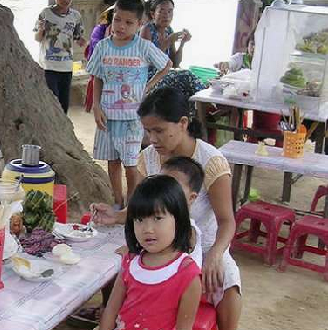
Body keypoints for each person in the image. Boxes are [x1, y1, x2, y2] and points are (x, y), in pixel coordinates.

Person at [92, 87, 242, 330]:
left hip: (204, 245)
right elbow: (140, 209)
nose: (152, 139)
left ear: (183, 123)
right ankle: (115, 314)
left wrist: (215, 254)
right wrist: (116, 216)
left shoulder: (211, 161)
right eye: (148, 131)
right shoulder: (148, 158)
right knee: (115, 264)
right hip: (158, 238)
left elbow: (227, 221)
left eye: (159, 130)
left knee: (226, 280)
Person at [86, 0, 171, 210]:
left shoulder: (143, 46)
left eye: (128, 22)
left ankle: (131, 206)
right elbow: (97, 77)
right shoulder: (103, 47)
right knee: (112, 161)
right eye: (117, 19)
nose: (121, 26)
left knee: (131, 164)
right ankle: (118, 202)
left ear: (140, 23)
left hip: (133, 118)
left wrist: (148, 86)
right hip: (106, 115)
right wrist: (96, 105)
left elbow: (167, 65)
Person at [98, 175, 201, 330]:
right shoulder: (130, 262)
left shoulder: (187, 274)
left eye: (158, 218)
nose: (147, 229)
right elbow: (111, 310)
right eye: (139, 220)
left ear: (178, 220)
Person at [34, 0, 86, 114]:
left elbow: (77, 37)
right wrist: (41, 29)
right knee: (52, 101)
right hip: (48, 66)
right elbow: (37, 38)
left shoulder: (76, 16)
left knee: (64, 104)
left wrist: (82, 41)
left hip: (66, 67)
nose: (65, 0)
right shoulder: (45, 13)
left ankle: (62, 130)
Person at [140, 0, 191, 78]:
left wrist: (182, 44)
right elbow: (148, 63)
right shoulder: (147, 30)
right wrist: (168, 41)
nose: (166, 15)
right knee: (186, 76)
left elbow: (175, 63)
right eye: (161, 11)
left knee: (187, 74)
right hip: (150, 77)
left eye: (170, 11)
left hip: (165, 73)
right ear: (153, 14)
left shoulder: (169, 30)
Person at [84, 7, 114, 112]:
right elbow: (96, 45)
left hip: (113, 64)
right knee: (95, 82)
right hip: (98, 62)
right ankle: (91, 106)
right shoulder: (99, 29)